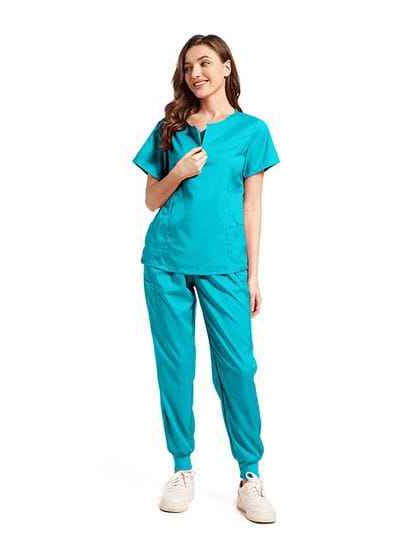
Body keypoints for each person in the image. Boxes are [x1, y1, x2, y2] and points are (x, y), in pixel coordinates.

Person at [132, 34, 280, 524]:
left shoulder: (252, 131)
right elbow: (152, 199)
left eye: (204, 63)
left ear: (226, 67)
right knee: (175, 365)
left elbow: (253, 206)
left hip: (226, 266)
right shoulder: (170, 128)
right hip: (167, 261)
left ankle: (250, 474)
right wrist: (177, 172)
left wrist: (253, 275)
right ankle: (182, 468)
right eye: (188, 66)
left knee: (237, 367)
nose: (195, 73)